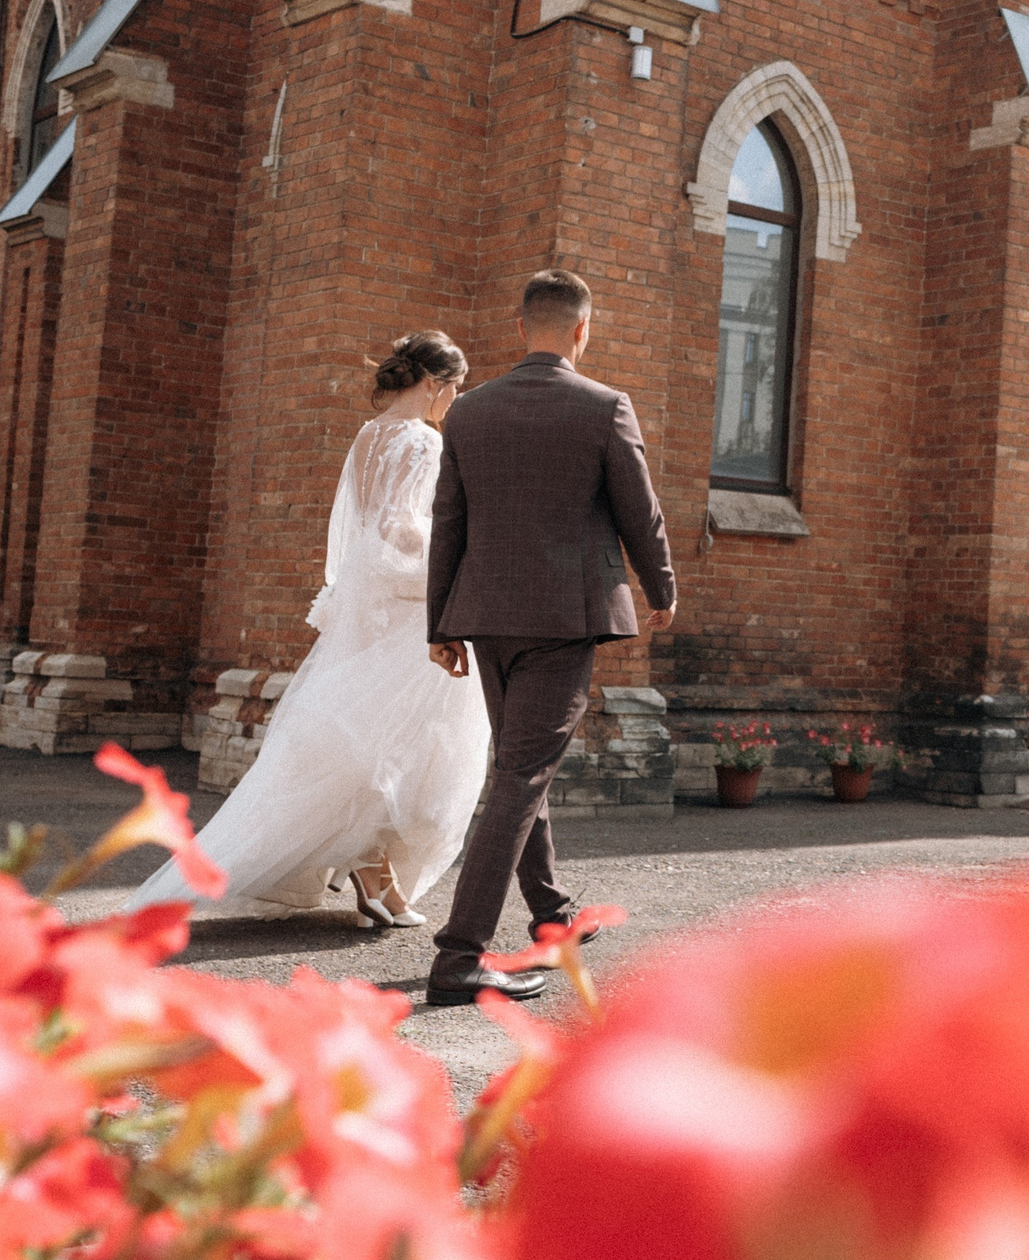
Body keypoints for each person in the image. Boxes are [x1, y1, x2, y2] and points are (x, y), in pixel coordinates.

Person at [132, 331, 489, 926]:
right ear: (433, 383)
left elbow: (361, 530)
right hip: (405, 607)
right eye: (455, 387)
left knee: (371, 738)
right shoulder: (424, 443)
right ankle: (373, 873)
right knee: (408, 743)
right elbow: (400, 532)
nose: (455, 399)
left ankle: (374, 872)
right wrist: (464, 552)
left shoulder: (368, 436)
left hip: (368, 606)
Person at [423, 269, 677, 1007]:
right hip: (565, 617)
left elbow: (450, 523)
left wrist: (440, 623)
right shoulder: (604, 407)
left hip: (487, 616)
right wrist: (661, 588)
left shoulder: (468, 412)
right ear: (581, 330)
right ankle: (459, 955)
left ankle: (552, 911)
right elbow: (641, 508)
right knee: (523, 774)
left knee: (519, 764)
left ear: (520, 326)